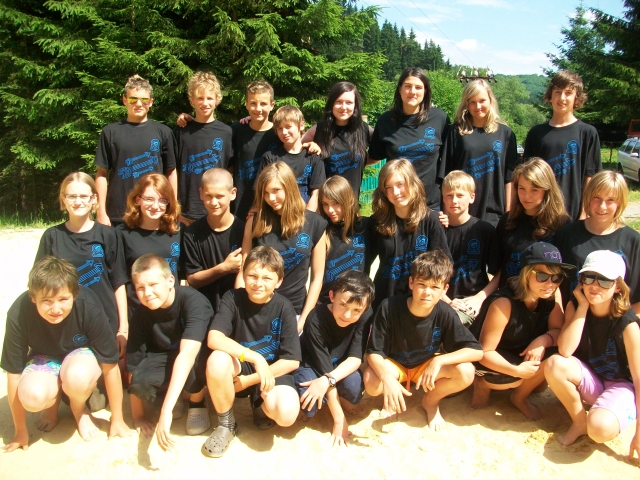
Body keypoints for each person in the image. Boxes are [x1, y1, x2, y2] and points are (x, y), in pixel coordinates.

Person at [1, 257, 131, 451]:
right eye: (46, 301)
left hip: (80, 356)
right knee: (32, 397)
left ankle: (78, 409)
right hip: (44, 357)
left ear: (74, 295)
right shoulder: (19, 313)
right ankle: (50, 405)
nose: (55, 309)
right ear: (33, 298)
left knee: (77, 377)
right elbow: (14, 373)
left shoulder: (88, 306)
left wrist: (118, 418)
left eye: (63, 299)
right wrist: (20, 431)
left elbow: (110, 366)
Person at [363, 250, 483, 431]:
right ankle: (391, 398)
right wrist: (387, 377)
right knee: (371, 381)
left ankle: (431, 402)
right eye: (422, 284)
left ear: (445, 290)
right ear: (411, 282)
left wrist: (439, 360)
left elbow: (477, 351)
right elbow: (374, 352)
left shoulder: (445, 312)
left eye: (435, 287)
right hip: (395, 364)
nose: (427, 292)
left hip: (425, 365)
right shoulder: (389, 307)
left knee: (466, 372)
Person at [203, 246, 301, 457]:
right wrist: (256, 358)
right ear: (243, 275)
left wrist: (250, 381)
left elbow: (292, 360)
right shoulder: (232, 297)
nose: (258, 283)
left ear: (279, 281)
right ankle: (226, 424)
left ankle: (260, 405)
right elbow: (214, 338)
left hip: (271, 371)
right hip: (242, 363)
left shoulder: (285, 307)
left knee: (286, 414)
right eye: (253, 276)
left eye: (267, 278)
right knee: (217, 361)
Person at [544, 250, 640, 458]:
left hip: (622, 385)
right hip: (594, 378)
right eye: (589, 278)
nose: (595, 286)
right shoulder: (575, 305)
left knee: (599, 429)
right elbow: (565, 350)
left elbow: (638, 378)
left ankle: (618, 411)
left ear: (618, 286)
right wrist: (583, 307)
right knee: (554, 364)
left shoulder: (628, 324)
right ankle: (579, 423)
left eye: (604, 280)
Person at [469, 242, 573, 419]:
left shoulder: (551, 295)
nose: (550, 283)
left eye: (556, 277)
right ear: (526, 274)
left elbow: (558, 330)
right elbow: (484, 352)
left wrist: (543, 340)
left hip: (520, 350)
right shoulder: (504, 302)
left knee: (549, 370)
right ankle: (483, 384)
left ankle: (518, 397)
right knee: (516, 379)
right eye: (542, 276)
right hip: (493, 356)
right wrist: (516, 371)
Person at [36, 172, 128, 357]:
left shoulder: (108, 235)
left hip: (103, 318)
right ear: (63, 199)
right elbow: (39, 285)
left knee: (107, 372)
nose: (78, 202)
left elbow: (118, 282)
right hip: (64, 319)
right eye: (72, 196)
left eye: (83, 196)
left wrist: (123, 328)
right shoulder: (52, 236)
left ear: (94, 199)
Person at [126, 255, 214, 448]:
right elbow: (133, 363)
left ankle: (197, 402)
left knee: (197, 361)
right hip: (164, 356)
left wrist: (165, 411)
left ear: (170, 280)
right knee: (140, 381)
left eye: (153, 284)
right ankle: (175, 396)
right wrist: (138, 417)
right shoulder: (140, 313)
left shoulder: (194, 302)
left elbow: (187, 355)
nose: (147, 293)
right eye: (140, 288)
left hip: (192, 354)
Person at [242, 162, 327, 333]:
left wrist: (303, 319)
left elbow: (317, 278)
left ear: (289, 187)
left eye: (276, 190)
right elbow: (243, 268)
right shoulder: (255, 221)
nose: (271, 198)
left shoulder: (315, 223)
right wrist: (241, 308)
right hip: (257, 310)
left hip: (294, 311)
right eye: (266, 193)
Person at [294, 270, 375, 446]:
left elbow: (355, 358)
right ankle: (321, 403)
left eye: (357, 310)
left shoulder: (366, 314)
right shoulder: (315, 319)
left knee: (354, 388)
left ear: (365, 307)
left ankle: (342, 399)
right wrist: (339, 420)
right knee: (309, 405)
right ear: (331, 296)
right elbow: (323, 368)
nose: (347, 315)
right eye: (343, 305)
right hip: (312, 363)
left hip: (338, 364)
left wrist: (327, 380)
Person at [367, 159, 450, 312]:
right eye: (389, 187)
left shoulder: (431, 220)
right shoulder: (377, 222)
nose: (395, 192)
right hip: (385, 303)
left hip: (419, 305)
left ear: (413, 183)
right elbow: (363, 262)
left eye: (400, 184)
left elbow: (443, 267)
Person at [95, 74, 177, 226]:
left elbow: (171, 172)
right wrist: (101, 212)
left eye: (144, 100)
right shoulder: (110, 132)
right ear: (124, 100)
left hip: (153, 211)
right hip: (118, 213)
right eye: (133, 99)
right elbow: (101, 174)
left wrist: (172, 208)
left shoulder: (163, 132)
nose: (139, 104)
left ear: (151, 102)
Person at [555, 170, 640, 314]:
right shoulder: (567, 235)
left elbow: (637, 300)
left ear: (620, 202)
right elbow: (555, 286)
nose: (602, 206)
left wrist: (623, 324)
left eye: (610, 200)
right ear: (588, 198)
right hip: (572, 318)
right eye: (597, 198)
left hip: (615, 322)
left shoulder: (633, 241)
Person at [368, 67, 450, 210]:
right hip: (396, 204)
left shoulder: (439, 118)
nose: (412, 91)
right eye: (408, 86)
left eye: (418, 87)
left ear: (425, 91)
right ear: (400, 89)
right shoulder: (386, 121)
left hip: (431, 204)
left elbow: (450, 160)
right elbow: (373, 156)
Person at [524, 71, 602, 220]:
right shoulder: (536, 133)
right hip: (541, 213)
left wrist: (584, 214)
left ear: (576, 98)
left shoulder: (587, 133)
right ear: (550, 96)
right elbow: (527, 177)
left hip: (573, 213)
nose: (562, 98)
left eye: (568, 93)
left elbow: (591, 177)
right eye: (558, 92)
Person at [441, 79, 518, 227]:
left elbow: (510, 178)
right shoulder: (456, 132)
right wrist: (447, 214)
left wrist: (509, 213)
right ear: (466, 104)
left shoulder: (505, 133)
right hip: (462, 212)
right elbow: (447, 174)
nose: (478, 106)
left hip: (495, 213)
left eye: (482, 101)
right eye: (472, 102)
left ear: (490, 100)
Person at [117, 173, 182, 320]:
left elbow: (184, 276)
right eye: (149, 199)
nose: (155, 206)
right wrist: (124, 324)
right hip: (137, 313)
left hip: (171, 313)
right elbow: (119, 281)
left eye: (162, 200)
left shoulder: (177, 231)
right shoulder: (122, 233)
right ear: (137, 199)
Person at [496, 158, 570, 287]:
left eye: (534, 190)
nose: (526, 196)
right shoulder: (507, 220)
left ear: (547, 190)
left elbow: (564, 272)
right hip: (509, 294)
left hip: (546, 295)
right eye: (522, 188)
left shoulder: (562, 223)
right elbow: (499, 269)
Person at [440, 171, 500, 324]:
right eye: (449, 195)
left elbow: (499, 273)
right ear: (443, 198)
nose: (454, 200)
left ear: (472, 197)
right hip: (442, 300)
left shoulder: (484, 230)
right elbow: (428, 273)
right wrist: (447, 300)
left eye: (460, 195)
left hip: (474, 302)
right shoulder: (437, 229)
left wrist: (479, 298)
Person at [182, 168, 245, 312]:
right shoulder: (192, 233)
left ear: (233, 193)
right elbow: (192, 280)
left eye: (219, 196)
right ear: (201, 194)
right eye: (208, 196)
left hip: (237, 310)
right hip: (203, 310)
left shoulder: (244, 231)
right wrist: (224, 268)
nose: (213, 202)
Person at [174, 71, 233, 225]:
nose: (205, 103)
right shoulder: (182, 131)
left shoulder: (226, 132)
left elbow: (230, 169)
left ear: (217, 99)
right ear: (192, 100)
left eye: (209, 98)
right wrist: (174, 204)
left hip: (216, 209)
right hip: (186, 211)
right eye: (200, 98)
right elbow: (173, 169)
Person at [301, 82, 372, 201]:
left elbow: (381, 152)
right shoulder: (319, 129)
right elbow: (295, 150)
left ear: (355, 105)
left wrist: (363, 159)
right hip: (326, 205)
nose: (343, 107)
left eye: (349, 102)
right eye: (339, 102)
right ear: (332, 103)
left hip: (351, 205)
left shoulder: (363, 129)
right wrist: (310, 145)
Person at [259, 106, 326, 211]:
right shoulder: (270, 157)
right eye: (279, 129)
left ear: (301, 125)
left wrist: (309, 216)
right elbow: (263, 190)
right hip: (277, 213)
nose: (284, 132)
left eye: (288, 127)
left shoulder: (313, 156)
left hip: (306, 212)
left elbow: (316, 192)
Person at [318, 175, 370, 304]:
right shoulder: (321, 229)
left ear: (349, 199)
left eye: (335, 203)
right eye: (325, 204)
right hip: (326, 303)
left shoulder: (366, 226)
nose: (330, 210)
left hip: (357, 304)